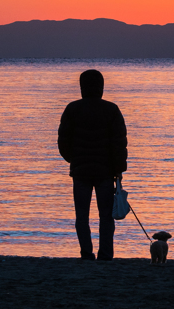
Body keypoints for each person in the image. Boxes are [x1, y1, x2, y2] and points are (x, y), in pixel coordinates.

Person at [58, 69, 128, 260]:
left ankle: (86, 254)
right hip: (105, 172)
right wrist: (119, 169)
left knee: (82, 216)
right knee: (106, 216)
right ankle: (105, 254)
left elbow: (63, 142)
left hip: (81, 171)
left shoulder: (72, 109)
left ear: (82, 87)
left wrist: (74, 160)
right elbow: (119, 143)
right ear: (101, 87)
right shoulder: (111, 110)